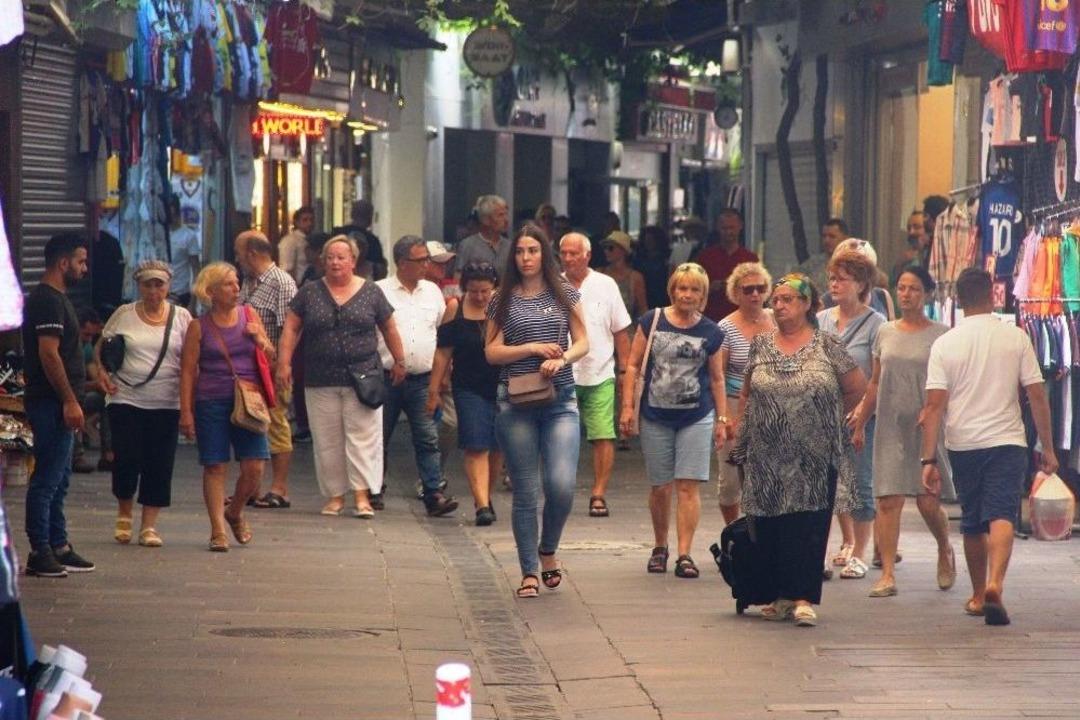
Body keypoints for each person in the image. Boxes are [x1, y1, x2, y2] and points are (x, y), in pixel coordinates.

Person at [920, 268, 1058, 626]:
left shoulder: (945, 344)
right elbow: (1037, 395)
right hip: (1008, 441)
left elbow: (933, 406)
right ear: (993, 296)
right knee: (1002, 514)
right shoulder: (1015, 337)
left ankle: (979, 593)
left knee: (972, 521)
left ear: (961, 300)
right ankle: (997, 583)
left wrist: (928, 459)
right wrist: (1048, 446)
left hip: (964, 443)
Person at [731, 273, 865, 626]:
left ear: (807, 304)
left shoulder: (827, 345)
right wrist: (739, 432)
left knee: (807, 523)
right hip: (766, 451)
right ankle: (779, 594)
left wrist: (828, 414)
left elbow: (855, 387)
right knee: (770, 521)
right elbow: (746, 392)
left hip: (814, 453)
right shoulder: (760, 344)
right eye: (776, 300)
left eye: (788, 299)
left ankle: (804, 597)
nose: (779, 305)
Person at [485, 223, 588, 599]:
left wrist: (561, 359)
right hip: (515, 401)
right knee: (526, 491)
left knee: (561, 485)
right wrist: (530, 349)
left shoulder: (565, 292)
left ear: (545, 254)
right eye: (520, 252)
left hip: (560, 398)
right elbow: (491, 351)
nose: (526, 258)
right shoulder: (502, 298)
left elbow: (583, 341)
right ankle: (529, 569)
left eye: (532, 251)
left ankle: (548, 548)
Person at [277, 236, 406, 518]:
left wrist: (399, 360)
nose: (335, 262)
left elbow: (389, 328)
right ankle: (335, 496)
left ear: (353, 261)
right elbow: (291, 328)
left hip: (363, 377)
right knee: (327, 438)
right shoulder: (309, 292)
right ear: (323, 261)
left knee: (363, 437)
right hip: (320, 377)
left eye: (341, 257)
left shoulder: (371, 292)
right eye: (330, 257)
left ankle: (362, 496)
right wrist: (283, 362)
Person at [852, 267, 955, 597]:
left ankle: (944, 547)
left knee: (927, 501)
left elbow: (952, 383)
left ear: (926, 294)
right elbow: (875, 380)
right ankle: (887, 574)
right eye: (901, 287)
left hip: (926, 425)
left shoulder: (942, 334)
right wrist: (861, 417)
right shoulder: (885, 331)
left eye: (913, 288)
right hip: (890, 423)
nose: (906, 294)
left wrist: (937, 409)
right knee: (888, 499)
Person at [620, 263, 726, 580]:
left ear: (703, 294)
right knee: (660, 486)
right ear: (672, 290)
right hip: (656, 414)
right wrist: (627, 408)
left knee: (688, 486)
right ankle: (659, 546)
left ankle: (684, 553)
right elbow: (633, 365)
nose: (687, 295)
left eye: (695, 289)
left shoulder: (711, 331)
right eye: (682, 288)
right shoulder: (652, 320)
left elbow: (717, 379)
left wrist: (722, 418)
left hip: (696, 414)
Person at [179, 262, 275, 551]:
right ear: (211, 292)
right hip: (211, 400)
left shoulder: (250, 315)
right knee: (214, 465)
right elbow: (187, 370)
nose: (236, 289)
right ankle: (218, 530)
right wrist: (186, 412)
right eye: (229, 284)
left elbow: (271, 357)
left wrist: (261, 340)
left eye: (237, 282)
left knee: (255, 466)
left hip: (249, 399)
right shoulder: (199, 326)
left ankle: (235, 511)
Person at [96, 260, 193, 548]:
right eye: (148, 284)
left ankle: (149, 525)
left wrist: (189, 404)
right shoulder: (124, 314)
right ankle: (124, 513)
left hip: (166, 401)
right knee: (126, 456)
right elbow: (102, 349)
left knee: (159, 462)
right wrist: (102, 374)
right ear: (139, 285)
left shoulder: (182, 317)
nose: (153, 290)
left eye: (159, 284)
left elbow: (190, 360)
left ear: (168, 286)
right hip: (126, 397)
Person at [22, 233, 96, 577]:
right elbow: (49, 355)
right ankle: (40, 550)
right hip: (50, 404)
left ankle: (58, 544)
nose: (85, 268)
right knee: (47, 479)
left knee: (60, 477)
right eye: (80, 261)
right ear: (63, 263)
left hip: (60, 404)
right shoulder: (47, 301)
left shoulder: (57, 299)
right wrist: (68, 400)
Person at [376, 236, 459, 517]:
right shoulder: (379, 291)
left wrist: (442, 374)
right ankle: (374, 488)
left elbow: (440, 334)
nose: (426, 264)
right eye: (420, 260)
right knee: (379, 437)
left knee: (427, 437)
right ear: (402, 263)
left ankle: (433, 492)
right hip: (386, 377)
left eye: (427, 258)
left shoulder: (433, 293)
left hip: (422, 379)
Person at [818, 249, 885, 581]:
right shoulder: (821, 320)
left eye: (842, 279)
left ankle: (860, 551)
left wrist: (862, 412)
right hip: (821, 416)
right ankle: (827, 547)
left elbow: (877, 375)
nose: (834, 284)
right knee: (825, 484)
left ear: (860, 284)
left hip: (860, 415)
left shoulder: (876, 324)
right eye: (832, 278)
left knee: (859, 481)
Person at [426, 262, 502, 526]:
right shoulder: (455, 308)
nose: (480, 297)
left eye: (485, 291)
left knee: (496, 446)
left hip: (502, 385)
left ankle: (486, 495)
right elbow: (443, 353)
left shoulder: (504, 308)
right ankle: (481, 504)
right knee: (475, 443)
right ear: (465, 289)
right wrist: (434, 391)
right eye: (474, 292)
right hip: (467, 385)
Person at [561, 233, 631, 517]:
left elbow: (620, 332)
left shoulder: (606, 285)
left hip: (600, 370)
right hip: (561, 370)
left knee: (603, 434)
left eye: (573, 253)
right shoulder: (553, 283)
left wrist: (625, 369)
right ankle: (561, 489)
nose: (567, 259)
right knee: (561, 436)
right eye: (563, 253)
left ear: (587, 255)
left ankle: (598, 492)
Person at [235, 230, 298, 510]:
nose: (237, 260)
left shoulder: (281, 282)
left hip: (272, 367)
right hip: (246, 368)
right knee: (250, 423)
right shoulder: (247, 282)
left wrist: (282, 364)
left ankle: (279, 488)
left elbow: (291, 329)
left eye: (239, 254)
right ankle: (251, 487)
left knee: (276, 423)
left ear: (252, 254)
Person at [716, 262, 775, 525]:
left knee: (763, 477)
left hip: (771, 405)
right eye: (748, 289)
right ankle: (733, 533)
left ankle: (759, 539)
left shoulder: (778, 320)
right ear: (736, 293)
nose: (754, 295)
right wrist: (725, 417)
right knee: (730, 481)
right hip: (733, 404)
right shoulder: (725, 328)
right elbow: (718, 375)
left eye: (760, 288)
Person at [695, 209, 758, 322]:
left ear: (740, 227)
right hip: (711, 319)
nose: (728, 232)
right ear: (718, 228)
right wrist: (710, 287)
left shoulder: (750, 259)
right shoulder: (705, 257)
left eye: (732, 228)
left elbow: (758, 291)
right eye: (724, 228)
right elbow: (694, 290)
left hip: (741, 321)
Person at [821, 239, 895, 320]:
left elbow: (891, 329)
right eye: (833, 278)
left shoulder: (882, 295)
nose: (834, 284)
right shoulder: (826, 301)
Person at [73, 308, 108, 474]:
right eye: (86, 334)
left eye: (92, 336)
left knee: (107, 400)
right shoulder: (68, 346)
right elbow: (72, 384)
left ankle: (109, 453)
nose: (88, 339)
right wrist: (95, 385)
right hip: (68, 396)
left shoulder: (86, 346)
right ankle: (76, 455)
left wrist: (103, 384)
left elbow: (94, 373)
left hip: (82, 394)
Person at [455, 195, 510, 280]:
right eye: (500, 215)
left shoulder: (510, 246)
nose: (506, 220)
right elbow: (458, 278)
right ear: (486, 220)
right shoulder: (467, 245)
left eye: (506, 214)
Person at [333, 199, 388, 279]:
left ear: (352, 214)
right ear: (370, 216)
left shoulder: (337, 234)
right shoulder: (373, 241)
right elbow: (381, 271)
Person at [600, 231, 647, 322]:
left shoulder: (635, 277)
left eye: (610, 248)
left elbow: (642, 309)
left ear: (623, 250)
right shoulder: (599, 273)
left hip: (627, 332)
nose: (606, 251)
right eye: (604, 248)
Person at [795, 217, 849, 293]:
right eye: (824, 236)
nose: (826, 240)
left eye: (832, 236)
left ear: (845, 239)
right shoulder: (812, 265)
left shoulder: (852, 266)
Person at [167, 195, 201, 311]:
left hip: (180, 294)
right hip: (160, 293)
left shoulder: (189, 236)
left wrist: (193, 301)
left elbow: (196, 269)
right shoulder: (160, 235)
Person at [635, 225, 672, 310]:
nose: (649, 242)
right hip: (645, 295)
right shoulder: (639, 260)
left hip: (662, 297)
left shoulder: (667, 258)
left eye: (651, 240)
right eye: (646, 240)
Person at [277, 206, 315, 284]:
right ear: (296, 222)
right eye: (305, 220)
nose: (309, 223)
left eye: (311, 220)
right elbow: (287, 269)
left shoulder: (313, 240)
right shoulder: (290, 241)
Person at [891, 211, 930, 285]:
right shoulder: (904, 258)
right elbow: (892, 284)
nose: (911, 232)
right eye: (909, 228)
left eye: (917, 227)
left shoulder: (933, 256)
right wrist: (900, 264)